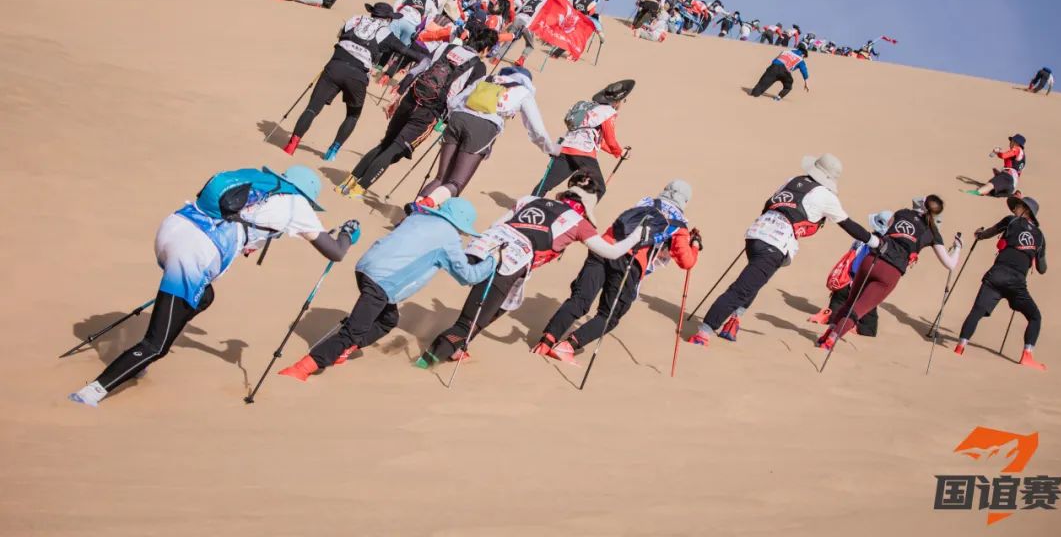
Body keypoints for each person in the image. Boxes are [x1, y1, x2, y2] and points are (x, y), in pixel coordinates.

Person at [68, 166, 358, 406]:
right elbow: (335, 252)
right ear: (308, 196)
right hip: (194, 252)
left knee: (204, 296)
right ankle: (91, 392)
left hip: (174, 227)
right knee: (157, 345)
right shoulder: (298, 205)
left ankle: (147, 345)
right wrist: (347, 235)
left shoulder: (260, 184)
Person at [416, 172, 646, 366]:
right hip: (508, 263)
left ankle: (458, 347)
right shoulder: (579, 223)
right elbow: (612, 252)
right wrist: (637, 235)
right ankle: (424, 364)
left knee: (502, 305)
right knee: (467, 323)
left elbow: (497, 224)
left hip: (482, 248)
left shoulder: (530, 199)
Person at [277, 198, 496, 381]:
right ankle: (302, 368)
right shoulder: (449, 237)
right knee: (354, 330)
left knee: (388, 319)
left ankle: (345, 349)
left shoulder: (419, 217)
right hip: (383, 283)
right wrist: (492, 262)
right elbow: (467, 276)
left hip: (365, 268)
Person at [688, 154, 878, 345]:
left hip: (755, 235)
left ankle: (733, 321)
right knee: (741, 289)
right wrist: (875, 242)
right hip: (775, 244)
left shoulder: (793, 180)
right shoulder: (826, 197)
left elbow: (769, 203)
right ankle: (704, 332)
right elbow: (848, 225)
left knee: (752, 283)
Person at [533, 181, 702, 361]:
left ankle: (546, 342)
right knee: (609, 315)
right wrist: (695, 245)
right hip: (630, 264)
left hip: (602, 247)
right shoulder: (680, 226)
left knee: (579, 299)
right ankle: (568, 345)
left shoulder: (646, 202)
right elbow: (686, 262)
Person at [336, 29, 496, 198]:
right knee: (395, 150)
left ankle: (347, 183)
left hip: (411, 98)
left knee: (386, 143)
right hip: (431, 112)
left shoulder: (445, 47)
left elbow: (417, 69)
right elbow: (465, 98)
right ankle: (358, 189)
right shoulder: (479, 67)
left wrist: (399, 94)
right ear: (486, 49)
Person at [281, 2, 430, 160]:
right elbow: (405, 51)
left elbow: (340, 35)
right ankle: (332, 152)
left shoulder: (355, 19)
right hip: (357, 75)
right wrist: (426, 59)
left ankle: (291, 145)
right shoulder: (386, 32)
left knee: (312, 108)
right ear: (388, 18)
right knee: (352, 115)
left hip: (335, 66)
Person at [816, 195, 962, 350]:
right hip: (891, 271)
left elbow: (889, 227)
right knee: (858, 309)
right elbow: (950, 264)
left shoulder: (903, 213)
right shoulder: (932, 232)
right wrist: (958, 247)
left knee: (851, 301)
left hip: (872, 258)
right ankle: (832, 339)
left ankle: (827, 334)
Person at [415, 65, 559, 208]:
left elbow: (453, 102)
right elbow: (536, 129)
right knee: (456, 183)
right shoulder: (523, 92)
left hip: (458, 119)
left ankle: (413, 210)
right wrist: (550, 148)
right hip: (483, 128)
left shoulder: (487, 79)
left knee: (441, 178)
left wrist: (455, 119)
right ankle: (424, 205)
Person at [954, 196, 1047, 370]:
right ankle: (1027, 356)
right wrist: (1032, 254)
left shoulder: (1011, 221)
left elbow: (986, 234)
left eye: (1018, 206)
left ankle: (960, 347)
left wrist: (978, 234)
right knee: (1035, 317)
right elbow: (1042, 269)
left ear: (1026, 210)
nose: (1014, 209)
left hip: (996, 276)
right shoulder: (1040, 237)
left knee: (977, 311)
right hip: (1016, 283)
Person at [533, 80, 634, 200]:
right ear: (617, 101)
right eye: (623, 100)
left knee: (546, 184)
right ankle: (572, 212)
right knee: (599, 188)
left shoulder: (589, 107)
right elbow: (610, 141)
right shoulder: (608, 112)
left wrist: (617, 152)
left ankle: (525, 208)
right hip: (583, 153)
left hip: (565, 149)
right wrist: (618, 151)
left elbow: (598, 141)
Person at [806, 210, 894, 336]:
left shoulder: (863, 238)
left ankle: (828, 314)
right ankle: (852, 326)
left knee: (839, 306)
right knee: (869, 328)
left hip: (844, 281)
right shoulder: (885, 246)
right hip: (861, 284)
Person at [502, 0, 550, 66]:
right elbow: (541, 17)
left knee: (510, 39)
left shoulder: (529, 0)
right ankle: (521, 60)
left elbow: (518, 10)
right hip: (527, 23)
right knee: (530, 45)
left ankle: (497, 57)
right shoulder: (542, 4)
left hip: (517, 19)